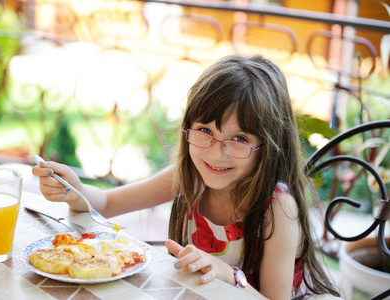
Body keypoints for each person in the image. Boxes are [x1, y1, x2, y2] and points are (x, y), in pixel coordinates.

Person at [32, 54, 341, 299]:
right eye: (205, 130)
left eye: (240, 139)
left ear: (268, 146)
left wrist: (229, 276)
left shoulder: (278, 209)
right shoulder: (189, 177)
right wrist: (76, 191)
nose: (216, 154)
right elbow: (108, 202)